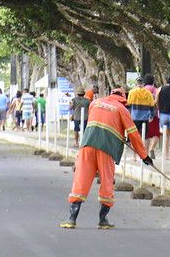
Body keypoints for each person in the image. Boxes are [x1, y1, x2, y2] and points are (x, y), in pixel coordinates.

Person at [60, 89, 153, 229]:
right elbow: (133, 133)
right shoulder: (122, 109)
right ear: (123, 98)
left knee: (81, 179)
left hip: (87, 145)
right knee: (107, 181)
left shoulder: (95, 103)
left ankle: (71, 219)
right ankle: (103, 220)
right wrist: (144, 156)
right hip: (106, 148)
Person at [156, 75, 170, 160]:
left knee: (166, 136)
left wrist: (159, 108)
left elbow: (156, 100)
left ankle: (166, 155)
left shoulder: (160, 89)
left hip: (163, 114)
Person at [127, 77, 155, 142]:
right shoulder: (148, 93)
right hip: (145, 118)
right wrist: (152, 116)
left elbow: (128, 104)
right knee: (144, 136)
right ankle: (142, 149)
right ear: (143, 84)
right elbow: (152, 106)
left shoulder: (132, 92)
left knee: (134, 135)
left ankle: (135, 150)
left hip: (134, 117)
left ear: (136, 84)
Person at [143, 74, 161, 157]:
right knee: (156, 134)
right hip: (154, 114)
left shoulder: (142, 90)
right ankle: (152, 148)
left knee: (146, 135)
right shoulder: (157, 90)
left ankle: (145, 153)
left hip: (143, 115)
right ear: (153, 81)